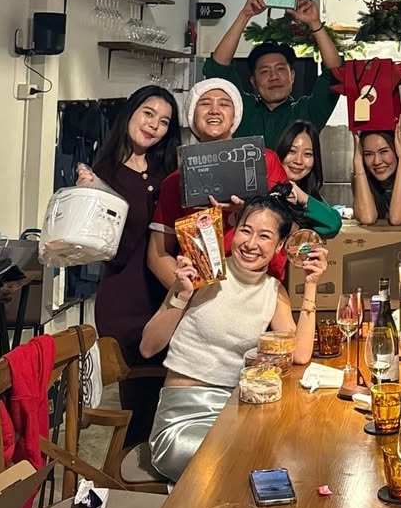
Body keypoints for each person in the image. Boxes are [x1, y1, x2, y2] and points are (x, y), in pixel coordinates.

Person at [144, 192, 325, 482]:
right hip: (184, 419)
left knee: (293, 454)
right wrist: (181, 295)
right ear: (234, 230)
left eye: (264, 236)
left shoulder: (272, 290)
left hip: (236, 413)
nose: (251, 244)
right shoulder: (202, 271)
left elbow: (300, 354)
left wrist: (311, 284)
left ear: (279, 245)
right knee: (245, 464)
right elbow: (148, 347)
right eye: (245, 230)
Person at [79, 86, 180, 445]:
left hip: (166, 294)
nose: (154, 125)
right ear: (130, 113)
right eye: (148, 114)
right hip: (125, 300)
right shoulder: (102, 174)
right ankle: (128, 472)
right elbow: (104, 250)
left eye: (164, 121)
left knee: (170, 398)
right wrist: (90, 197)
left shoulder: (168, 171)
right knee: (139, 404)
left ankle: (162, 467)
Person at [148, 79, 287, 292]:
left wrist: (247, 210)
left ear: (235, 116)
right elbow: (157, 255)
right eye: (205, 103)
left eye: (224, 103)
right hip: (205, 298)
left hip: (262, 290)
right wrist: (191, 296)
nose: (214, 110)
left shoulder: (263, 160)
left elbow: (290, 227)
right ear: (192, 115)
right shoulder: (176, 181)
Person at [202, 0, 342, 145]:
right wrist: (245, 15)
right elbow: (218, 68)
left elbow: (335, 72)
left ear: (292, 76)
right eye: (264, 71)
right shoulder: (241, 110)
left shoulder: (307, 112)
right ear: (253, 82)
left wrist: (314, 23)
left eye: (280, 68)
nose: (274, 77)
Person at [274, 119, 342, 239]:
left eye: (308, 154)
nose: (298, 161)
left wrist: (300, 195)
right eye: (292, 151)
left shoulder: (308, 196)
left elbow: (333, 224)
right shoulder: (264, 190)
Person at [351, 129, 401, 225]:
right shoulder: (362, 177)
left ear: (397, 150)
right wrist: (357, 162)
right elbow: (367, 218)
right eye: (368, 154)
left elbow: (397, 219)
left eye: (384, 151)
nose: (376, 161)